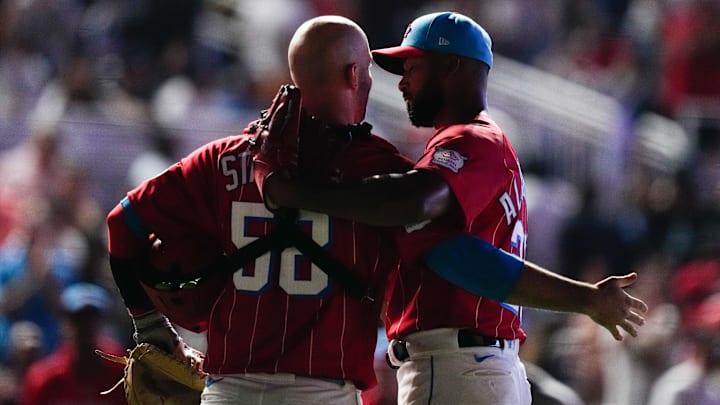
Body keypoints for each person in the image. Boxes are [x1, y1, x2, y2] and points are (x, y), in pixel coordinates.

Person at [258, 11, 648, 404]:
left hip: (456, 367)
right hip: (479, 366)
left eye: (412, 67)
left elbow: (418, 204)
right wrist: (585, 298)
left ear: (450, 65)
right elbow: (468, 261)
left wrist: (296, 193)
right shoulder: (477, 145)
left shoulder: (473, 139)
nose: (402, 83)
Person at [105, 15, 413, 404]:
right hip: (323, 393)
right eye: (367, 71)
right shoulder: (386, 170)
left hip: (229, 391)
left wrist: (148, 324)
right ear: (354, 74)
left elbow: (122, 223)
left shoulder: (221, 158)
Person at [21, 282, 126, 405]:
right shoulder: (43, 378)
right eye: (78, 319)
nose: (85, 326)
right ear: (64, 323)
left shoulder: (122, 372)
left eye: (91, 318)